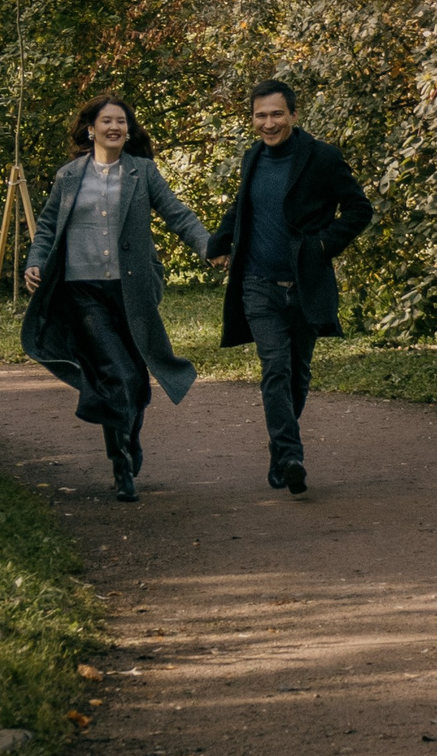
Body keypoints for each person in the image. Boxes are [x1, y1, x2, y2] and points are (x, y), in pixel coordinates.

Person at [20, 96, 214, 501]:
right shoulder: (69, 176)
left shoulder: (142, 172)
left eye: (121, 122)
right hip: (83, 289)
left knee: (135, 378)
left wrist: (208, 247)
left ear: (128, 130)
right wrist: (35, 262)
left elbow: (177, 214)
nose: (114, 127)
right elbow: (48, 226)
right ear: (90, 129)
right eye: (106, 121)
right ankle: (120, 460)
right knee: (117, 373)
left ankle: (129, 435)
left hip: (131, 291)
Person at [204, 78, 374, 494]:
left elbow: (359, 209)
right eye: (260, 115)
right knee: (275, 367)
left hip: (305, 283)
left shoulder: (322, 158)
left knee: (298, 374)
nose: (268, 122)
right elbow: (242, 207)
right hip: (257, 283)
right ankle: (292, 453)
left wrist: (321, 246)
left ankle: (280, 454)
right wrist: (220, 240)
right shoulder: (252, 159)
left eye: (276, 113)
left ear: (294, 115)